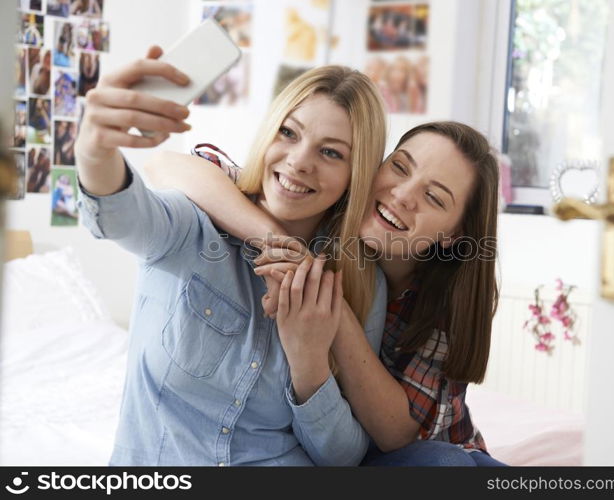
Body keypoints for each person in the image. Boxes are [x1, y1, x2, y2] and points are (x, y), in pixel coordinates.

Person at [74, 45, 388, 466]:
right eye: (288, 133)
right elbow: (120, 216)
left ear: (356, 175)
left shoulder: (360, 279)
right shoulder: (194, 223)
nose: (298, 162)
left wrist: (309, 361)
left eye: (331, 153)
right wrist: (94, 151)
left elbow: (344, 457)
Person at [146, 121, 507, 467]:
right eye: (399, 167)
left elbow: (396, 433)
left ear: (453, 235)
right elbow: (167, 165)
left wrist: (335, 310)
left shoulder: (446, 297)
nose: (403, 195)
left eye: (433, 197)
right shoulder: (321, 200)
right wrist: (278, 240)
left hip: (432, 452)